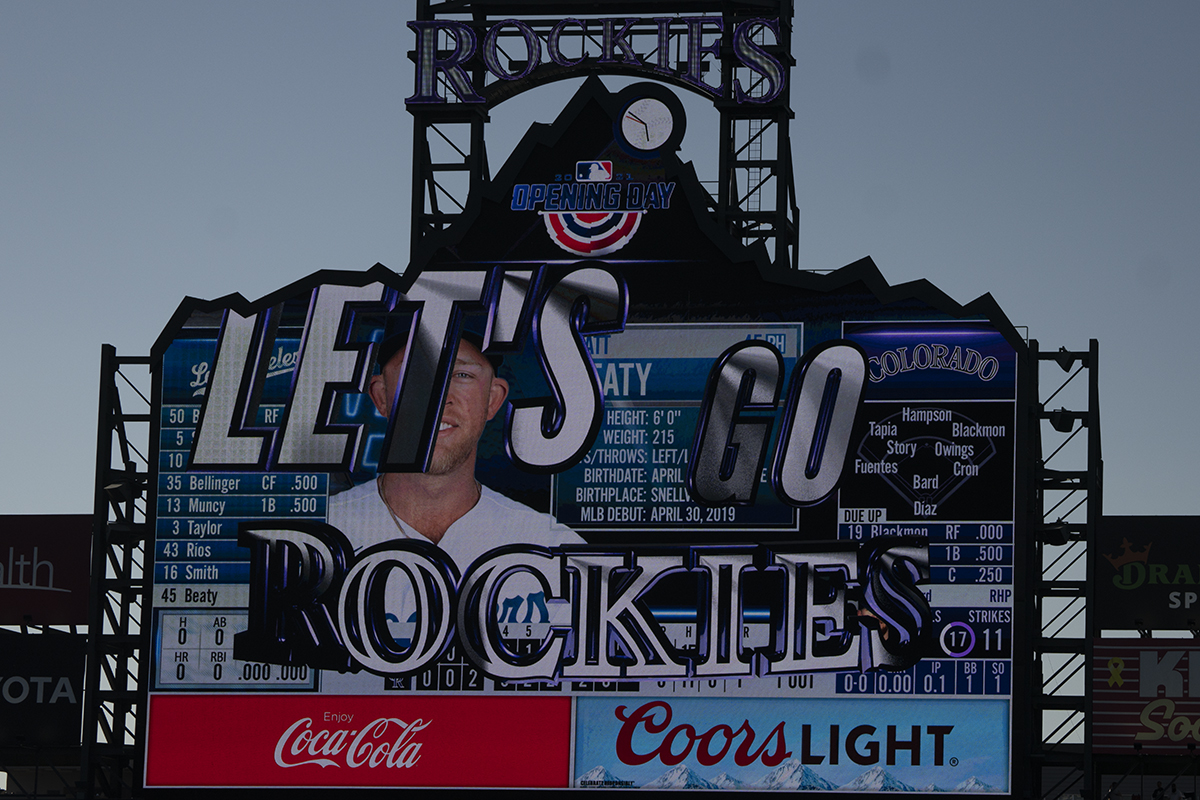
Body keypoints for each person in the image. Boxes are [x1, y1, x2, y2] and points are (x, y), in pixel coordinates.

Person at [328, 331, 583, 571]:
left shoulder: (550, 549)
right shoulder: (318, 536)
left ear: (493, 399)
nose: (439, 396)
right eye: (416, 372)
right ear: (381, 396)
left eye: (462, 375)